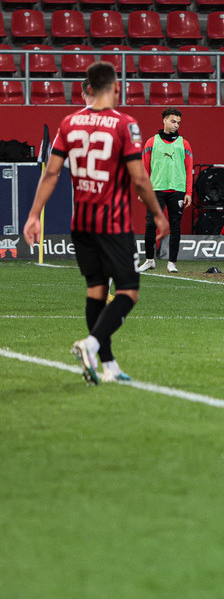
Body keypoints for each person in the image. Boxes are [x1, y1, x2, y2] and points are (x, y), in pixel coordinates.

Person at [22, 61, 169, 384]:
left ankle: (108, 365)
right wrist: (158, 214)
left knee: (96, 291)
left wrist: (34, 215)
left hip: (82, 223)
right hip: (112, 223)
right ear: (116, 88)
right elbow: (140, 178)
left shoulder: (69, 122)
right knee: (128, 292)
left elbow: (51, 172)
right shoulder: (124, 124)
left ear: (87, 89)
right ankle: (90, 344)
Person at [138, 107, 193, 273]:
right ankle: (149, 260)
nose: (176, 125)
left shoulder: (184, 144)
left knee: (175, 227)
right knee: (150, 225)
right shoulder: (151, 142)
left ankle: (172, 262)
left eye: (178, 122)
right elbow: (144, 169)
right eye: (173, 121)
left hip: (177, 190)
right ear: (164, 121)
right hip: (156, 190)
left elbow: (189, 170)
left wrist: (188, 192)